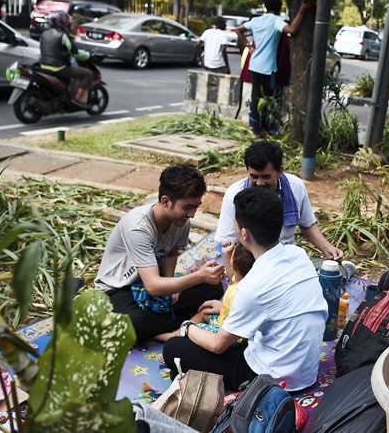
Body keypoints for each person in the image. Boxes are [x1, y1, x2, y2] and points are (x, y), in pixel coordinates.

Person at [163, 187, 328, 391]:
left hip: (272, 379)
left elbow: (217, 344)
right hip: (305, 372)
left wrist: (187, 327)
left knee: (174, 348)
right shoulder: (298, 254)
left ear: (243, 233)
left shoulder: (253, 285)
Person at [95, 165, 225, 343]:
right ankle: (178, 324)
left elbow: (171, 253)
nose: (192, 214)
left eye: (196, 207)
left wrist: (172, 288)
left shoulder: (181, 220)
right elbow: (153, 286)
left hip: (151, 280)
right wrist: (198, 277)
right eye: (187, 207)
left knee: (214, 288)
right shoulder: (138, 227)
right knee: (135, 323)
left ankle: (169, 321)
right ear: (165, 201)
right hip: (119, 289)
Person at [215, 141, 344, 261]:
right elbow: (227, 242)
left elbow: (307, 224)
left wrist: (328, 248)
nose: (259, 183)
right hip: (251, 261)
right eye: (254, 176)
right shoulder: (234, 194)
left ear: (280, 171)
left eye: (266, 177)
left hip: (287, 257)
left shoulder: (296, 187)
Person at [235, 0, 311, 137]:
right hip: (268, 66)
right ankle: (266, 127)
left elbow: (238, 30)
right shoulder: (276, 20)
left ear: (265, 6)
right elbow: (292, 30)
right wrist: (302, 10)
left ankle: (256, 130)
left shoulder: (256, 20)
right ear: (278, 9)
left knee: (256, 96)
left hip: (254, 63)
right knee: (269, 98)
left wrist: (248, 45)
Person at [194, 241, 254, 337]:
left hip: (224, 330)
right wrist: (227, 254)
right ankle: (176, 333)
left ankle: (180, 333)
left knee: (196, 328)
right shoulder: (243, 280)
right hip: (223, 318)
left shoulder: (237, 294)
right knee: (203, 313)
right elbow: (232, 275)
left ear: (232, 264)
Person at [39, 11, 93, 108]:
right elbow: (75, 52)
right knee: (88, 74)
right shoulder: (62, 35)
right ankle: (77, 99)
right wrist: (88, 55)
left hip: (43, 66)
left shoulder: (44, 34)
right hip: (59, 68)